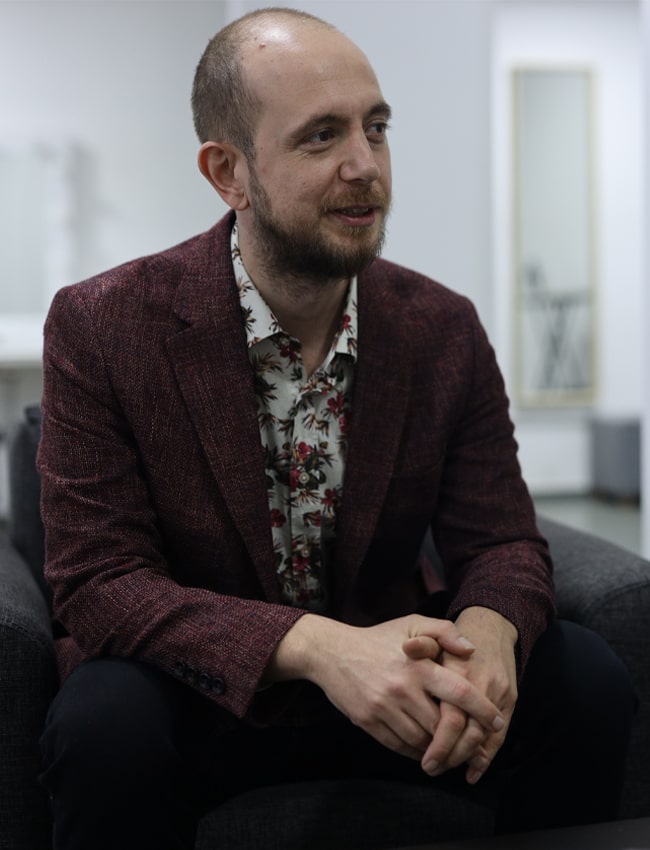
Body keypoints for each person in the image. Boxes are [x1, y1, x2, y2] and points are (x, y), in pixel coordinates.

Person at [38, 7, 635, 850]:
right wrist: (318, 648)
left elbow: (501, 537)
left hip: (403, 698)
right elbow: (100, 583)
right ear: (228, 172)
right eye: (322, 137)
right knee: (102, 725)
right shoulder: (105, 324)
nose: (366, 166)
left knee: (586, 679)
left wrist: (492, 632)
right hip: (202, 699)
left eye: (376, 128)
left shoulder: (441, 327)